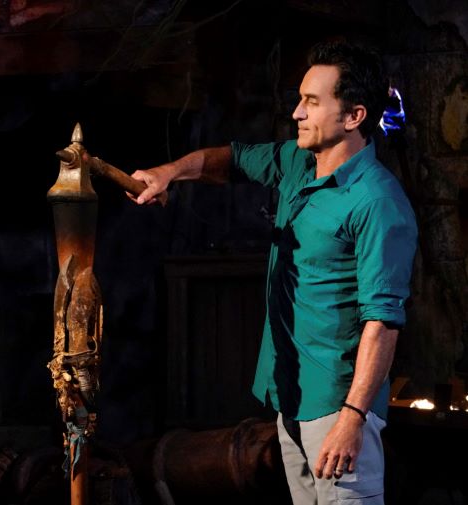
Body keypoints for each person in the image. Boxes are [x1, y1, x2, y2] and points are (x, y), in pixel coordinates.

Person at [132, 41, 417, 504]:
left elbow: (382, 322)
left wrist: (353, 417)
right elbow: (232, 159)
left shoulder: (377, 202)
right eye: (299, 99)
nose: (297, 113)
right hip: (290, 397)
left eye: (312, 102)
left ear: (354, 116)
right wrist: (169, 172)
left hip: (338, 406)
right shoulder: (297, 163)